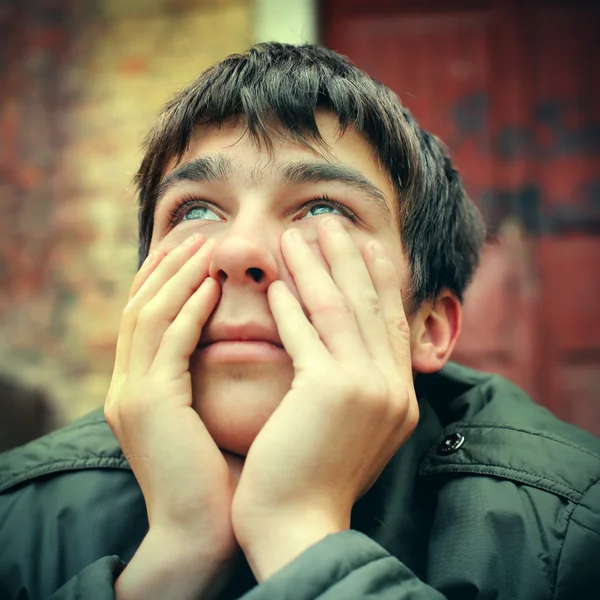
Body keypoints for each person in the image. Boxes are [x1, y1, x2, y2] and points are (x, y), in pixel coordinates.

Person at [0, 42, 598, 600]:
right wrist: (175, 556)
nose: (238, 252)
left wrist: (296, 529)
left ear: (428, 327)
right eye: (197, 209)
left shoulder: (571, 537)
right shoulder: (16, 522)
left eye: (322, 208)